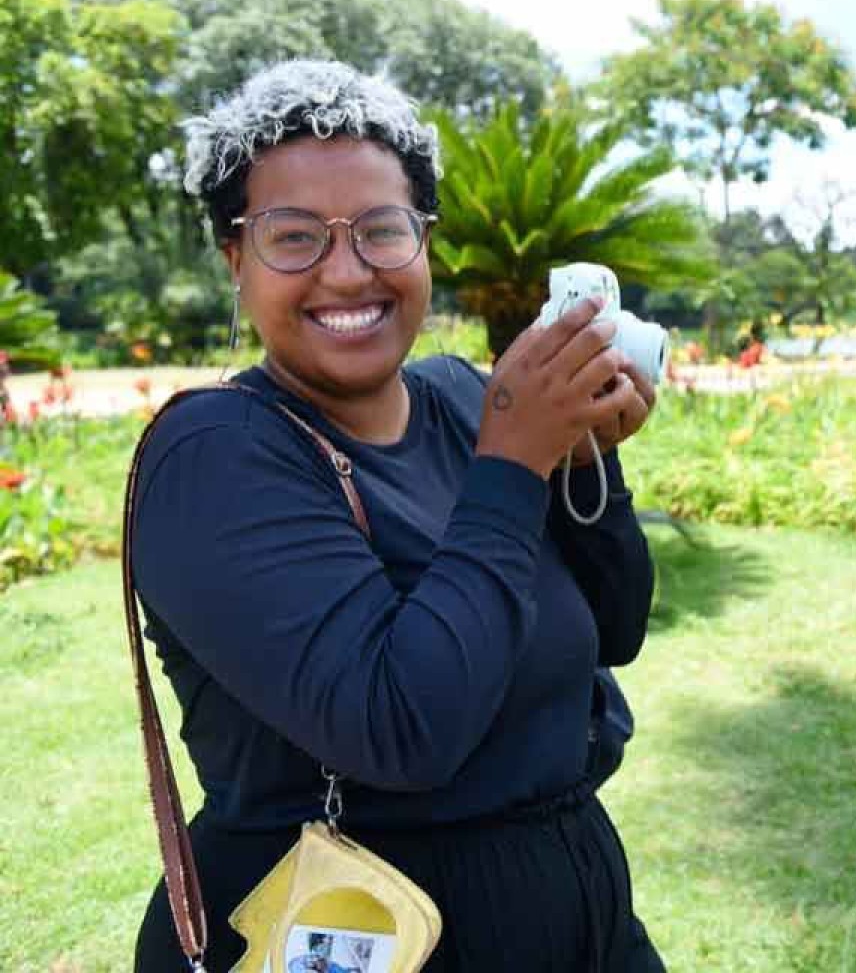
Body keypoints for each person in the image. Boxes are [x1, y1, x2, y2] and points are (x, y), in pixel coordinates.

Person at [130, 59, 664, 972]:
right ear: (235, 259)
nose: (347, 272)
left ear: (423, 242)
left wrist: (585, 460)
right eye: (293, 237)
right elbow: (401, 728)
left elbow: (615, 626)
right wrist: (514, 459)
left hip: (580, 910)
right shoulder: (212, 456)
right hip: (360, 928)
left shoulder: (463, 399)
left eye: (382, 230)